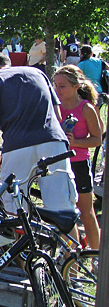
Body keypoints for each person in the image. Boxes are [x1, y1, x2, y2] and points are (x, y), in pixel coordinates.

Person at [0, 52, 78, 216]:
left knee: (17, 209)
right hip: (52, 141)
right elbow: (57, 115)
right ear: (9, 64)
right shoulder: (38, 73)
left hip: (17, 147)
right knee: (63, 209)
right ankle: (70, 242)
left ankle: (23, 240)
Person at [53, 65, 102, 249]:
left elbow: (97, 139)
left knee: (86, 213)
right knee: (63, 212)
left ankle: (96, 254)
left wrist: (75, 142)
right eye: (55, 85)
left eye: (62, 86)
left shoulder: (86, 108)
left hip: (79, 163)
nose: (57, 90)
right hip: (59, 164)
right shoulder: (54, 107)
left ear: (76, 86)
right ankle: (71, 253)